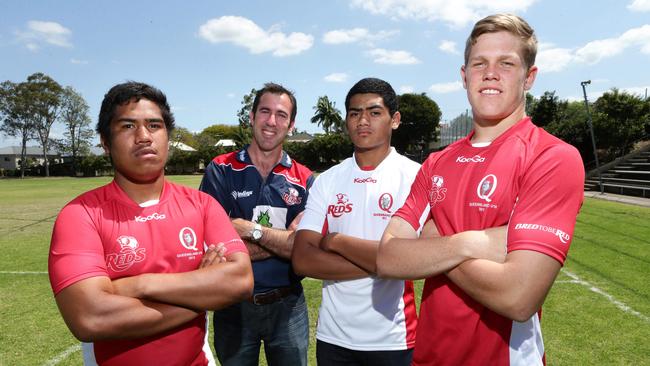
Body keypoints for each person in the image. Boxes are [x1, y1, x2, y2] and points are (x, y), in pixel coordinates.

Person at [377, 14, 585, 365]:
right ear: (464, 75)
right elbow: (387, 258)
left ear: (529, 77)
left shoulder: (552, 157)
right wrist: (470, 242)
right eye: (480, 63)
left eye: (506, 63)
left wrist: (432, 244)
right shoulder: (436, 163)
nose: (491, 73)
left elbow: (518, 295)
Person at [48, 81, 254, 366]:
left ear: (167, 137)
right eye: (128, 126)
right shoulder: (81, 214)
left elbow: (240, 281)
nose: (144, 136)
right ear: (105, 143)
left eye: (154, 125)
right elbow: (90, 317)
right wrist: (200, 297)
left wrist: (138, 285)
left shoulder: (203, 205)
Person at [292, 78, 423, 366]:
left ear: (395, 119)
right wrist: (383, 263)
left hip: (393, 338)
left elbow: (422, 259)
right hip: (333, 338)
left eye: (374, 112)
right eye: (354, 113)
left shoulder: (416, 177)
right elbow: (302, 259)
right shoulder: (327, 180)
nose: (363, 120)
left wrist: (335, 242)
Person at [199, 82, 313, 366]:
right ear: (251, 117)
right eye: (264, 111)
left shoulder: (305, 180)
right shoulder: (221, 170)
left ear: (291, 124)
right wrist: (283, 241)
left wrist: (248, 229)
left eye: (281, 115)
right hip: (233, 305)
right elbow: (215, 249)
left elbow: (303, 250)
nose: (271, 121)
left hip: (289, 305)